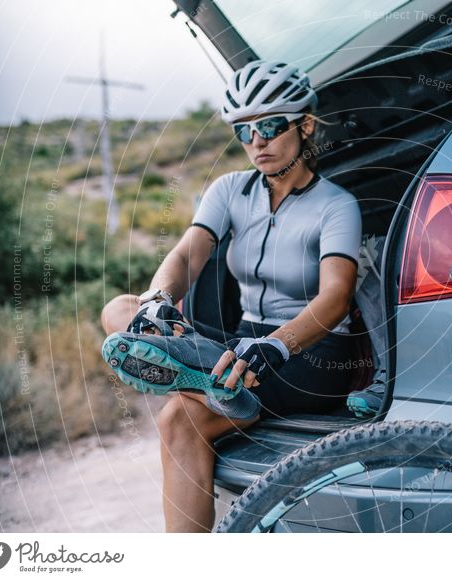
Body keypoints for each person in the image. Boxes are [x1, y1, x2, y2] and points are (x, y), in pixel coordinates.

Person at [100, 60, 362, 532]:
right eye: (244, 131)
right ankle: (214, 378)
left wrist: (276, 346)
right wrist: (158, 298)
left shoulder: (337, 205)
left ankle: (211, 379)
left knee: (177, 419)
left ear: (304, 125)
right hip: (240, 344)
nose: (256, 142)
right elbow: (187, 255)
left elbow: (336, 298)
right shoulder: (229, 190)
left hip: (308, 353)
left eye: (269, 126)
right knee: (120, 309)